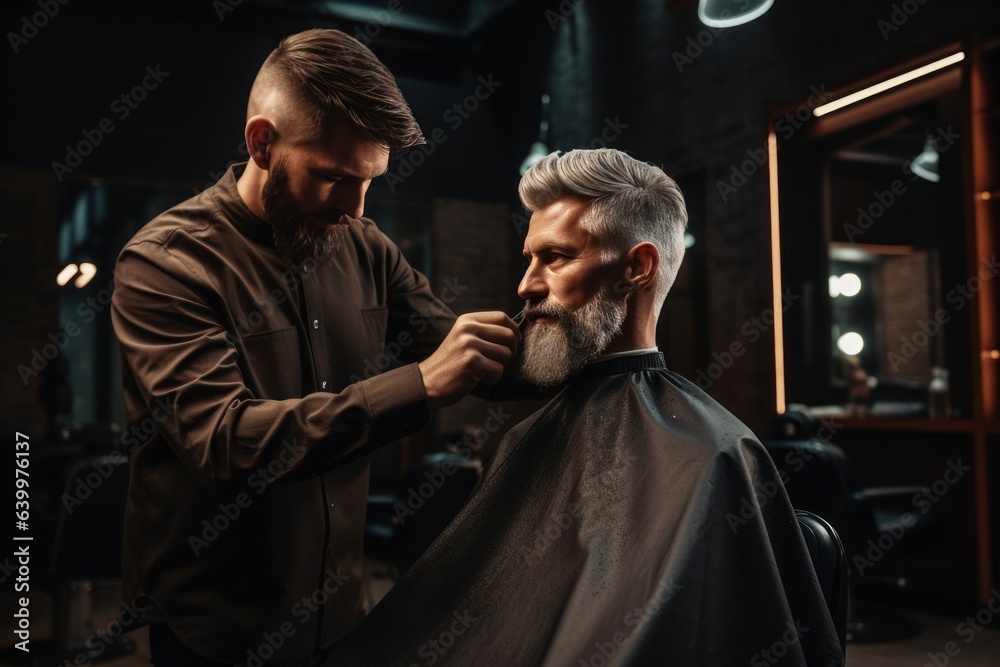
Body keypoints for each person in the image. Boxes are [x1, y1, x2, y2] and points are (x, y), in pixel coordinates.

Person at [325, 148, 845, 666]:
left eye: (554, 257)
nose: (525, 284)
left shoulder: (715, 457)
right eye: (529, 258)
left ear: (638, 267)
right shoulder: (529, 437)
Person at [109, 29, 519, 666]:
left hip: (340, 610)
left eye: (370, 180)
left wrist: (588, 327)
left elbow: (471, 356)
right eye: (333, 177)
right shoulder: (167, 265)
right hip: (216, 630)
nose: (357, 208)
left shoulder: (365, 245)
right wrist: (418, 386)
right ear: (262, 142)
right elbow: (225, 441)